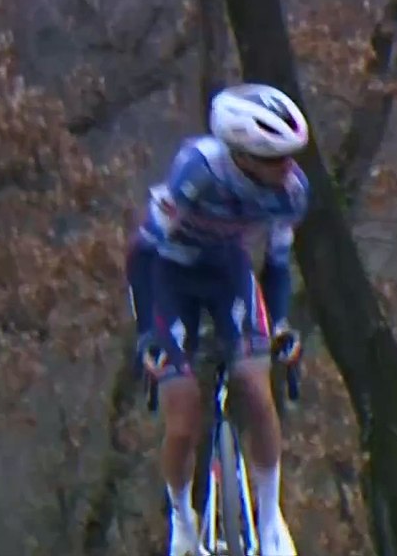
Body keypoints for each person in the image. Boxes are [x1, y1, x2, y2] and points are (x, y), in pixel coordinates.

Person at [128, 84, 309, 556]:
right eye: (276, 159)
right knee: (183, 418)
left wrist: (282, 323)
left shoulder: (292, 194)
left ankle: (270, 520)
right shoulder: (196, 173)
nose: (288, 170)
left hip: (228, 272)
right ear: (241, 156)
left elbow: (278, 263)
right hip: (171, 275)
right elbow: (143, 251)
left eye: (292, 157)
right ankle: (182, 520)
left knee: (255, 385)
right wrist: (148, 331)